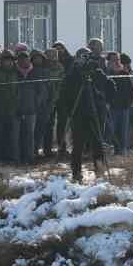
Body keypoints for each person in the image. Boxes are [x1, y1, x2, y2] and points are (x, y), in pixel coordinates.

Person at [58, 49, 112, 183]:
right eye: (80, 57)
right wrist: (71, 111)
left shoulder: (96, 71)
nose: (82, 60)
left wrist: (96, 73)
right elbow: (64, 93)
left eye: (86, 57)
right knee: (78, 144)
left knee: (98, 143)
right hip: (78, 113)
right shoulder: (72, 73)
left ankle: (100, 171)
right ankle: (76, 173)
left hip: (96, 113)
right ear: (76, 59)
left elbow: (109, 87)